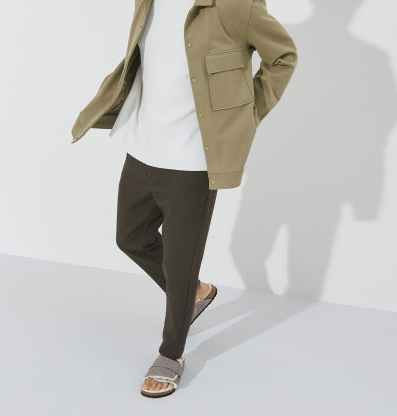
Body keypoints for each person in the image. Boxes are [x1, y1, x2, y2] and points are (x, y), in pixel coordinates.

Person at [71, 0, 297, 398]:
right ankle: (195, 292)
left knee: (179, 263)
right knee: (131, 237)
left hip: (193, 158)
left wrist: (245, 115)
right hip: (143, 143)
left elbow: (283, 56)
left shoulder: (236, 5)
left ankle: (171, 354)